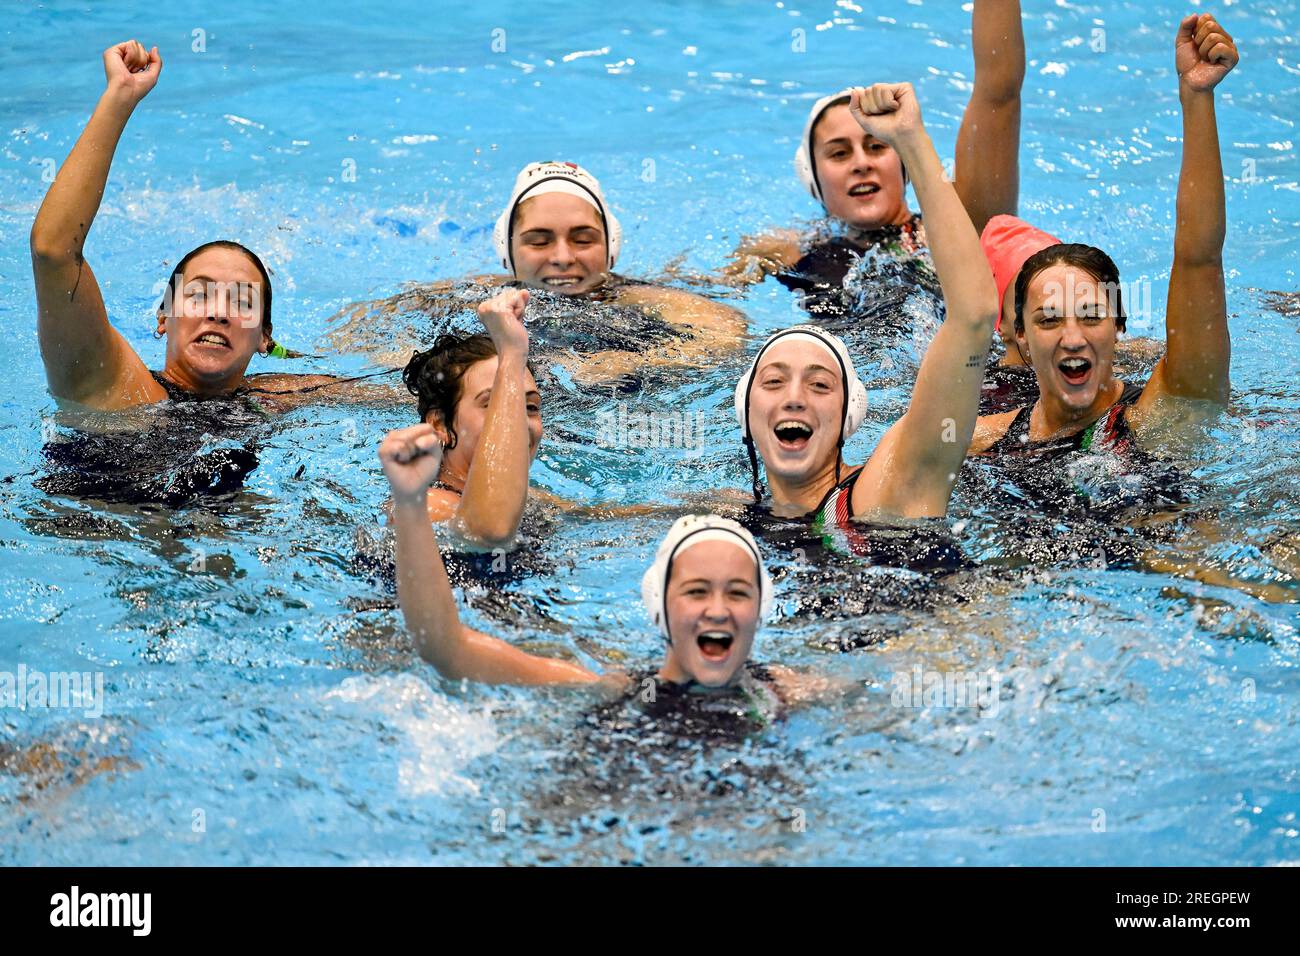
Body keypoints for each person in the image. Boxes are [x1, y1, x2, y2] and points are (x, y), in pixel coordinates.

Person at [31, 41, 398, 416]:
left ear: (264, 337)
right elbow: (53, 250)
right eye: (198, 295)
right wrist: (119, 98)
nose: (219, 313)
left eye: (242, 302)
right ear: (164, 317)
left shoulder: (279, 397)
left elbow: (427, 393)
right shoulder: (111, 385)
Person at [378, 421, 825, 714]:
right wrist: (411, 505)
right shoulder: (614, 689)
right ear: (659, 608)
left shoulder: (789, 691)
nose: (717, 609)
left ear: (762, 607)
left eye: (738, 592)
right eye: (695, 591)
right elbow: (445, 650)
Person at [731, 84, 998, 544]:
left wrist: (911, 138)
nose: (794, 398)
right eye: (773, 382)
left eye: (819, 385)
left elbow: (973, 317)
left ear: (850, 411)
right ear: (745, 411)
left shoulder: (886, 486)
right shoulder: (728, 518)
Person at [968, 13, 1238, 461]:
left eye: (1091, 316)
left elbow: (1200, 259)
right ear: (1021, 337)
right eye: (1050, 320)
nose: (1073, 338)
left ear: (1119, 326)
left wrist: (1196, 98)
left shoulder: (1155, 418)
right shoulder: (981, 441)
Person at [721, 0, 1025, 318]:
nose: (861, 163)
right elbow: (707, 299)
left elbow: (998, 94)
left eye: (877, 147)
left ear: (905, 164)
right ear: (813, 178)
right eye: (839, 153)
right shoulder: (785, 249)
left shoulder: (962, 229)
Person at [330, 161, 747, 387]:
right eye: (539, 240)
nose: (563, 257)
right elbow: (349, 329)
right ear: (508, 252)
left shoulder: (633, 297)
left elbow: (727, 334)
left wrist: (626, 362)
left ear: (611, 246)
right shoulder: (478, 295)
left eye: (583, 239)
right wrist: (410, 359)